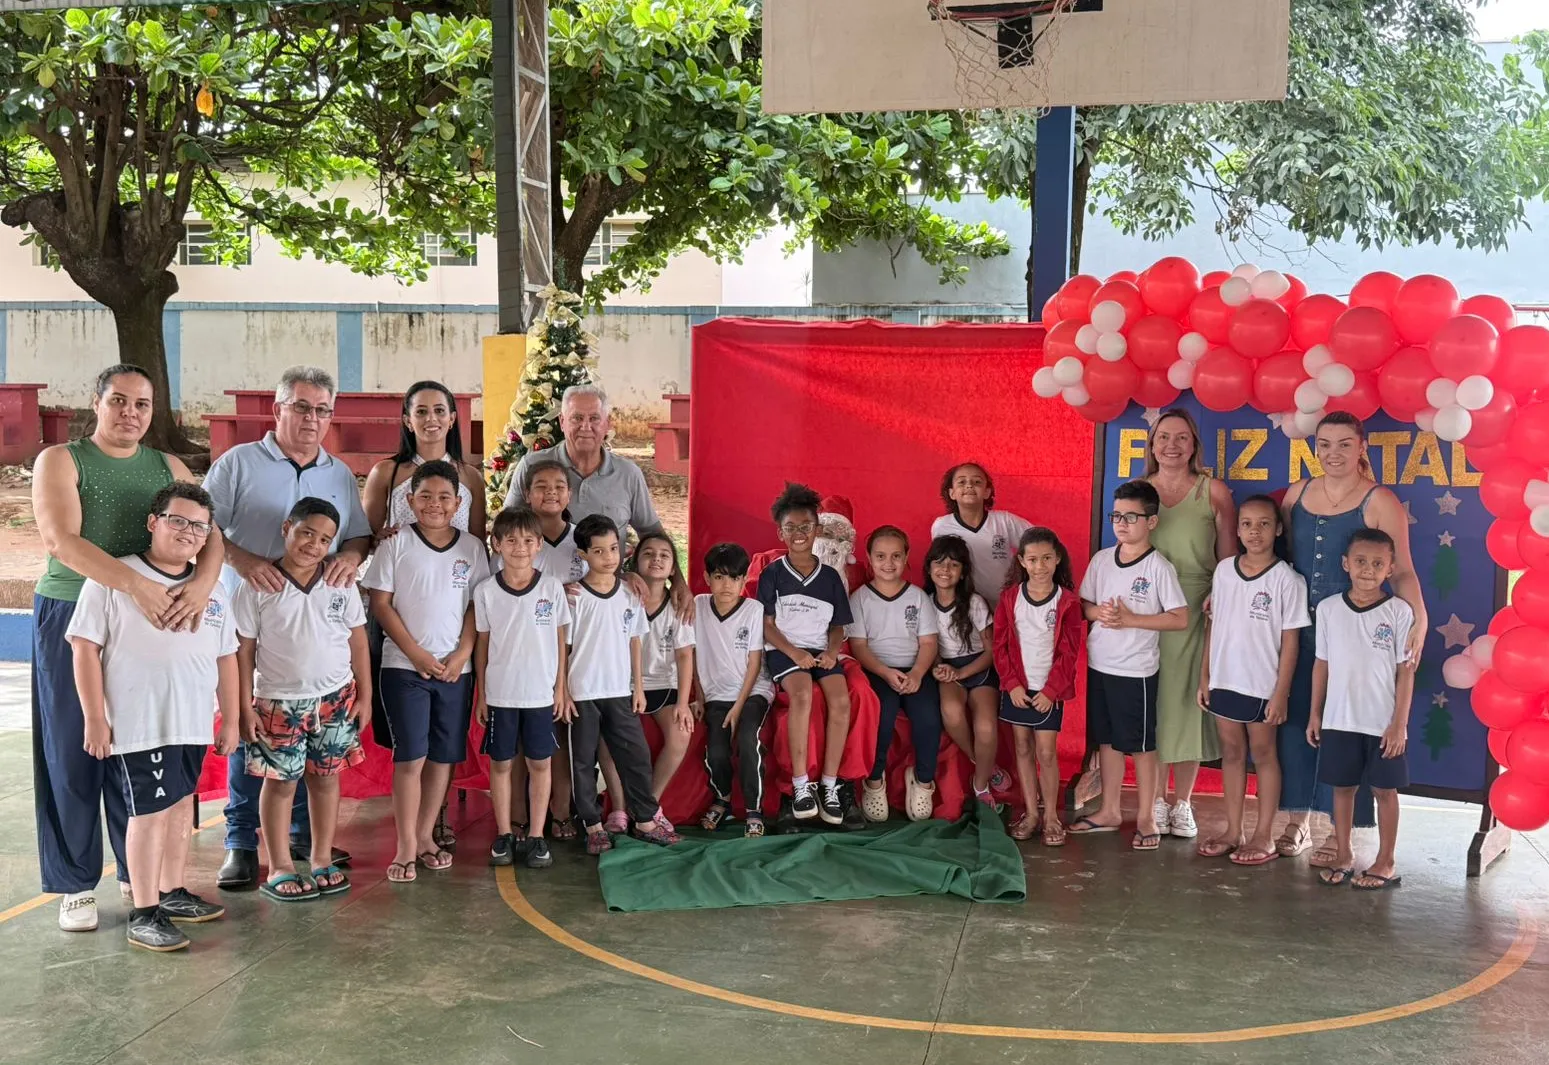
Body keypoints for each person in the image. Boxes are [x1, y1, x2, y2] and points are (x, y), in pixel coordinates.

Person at [33, 364, 223, 933]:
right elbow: (60, 540)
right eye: (119, 401)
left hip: (156, 616)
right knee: (78, 748)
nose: (130, 413)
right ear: (97, 402)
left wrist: (202, 587)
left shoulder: (166, 464)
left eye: (142, 404)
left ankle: (136, 876)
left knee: (143, 746)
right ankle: (73, 882)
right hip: (80, 609)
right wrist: (136, 583)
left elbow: (213, 533)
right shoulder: (61, 460)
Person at [204, 365, 371, 890]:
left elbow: (358, 537)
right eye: (302, 407)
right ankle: (241, 843)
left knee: (315, 760)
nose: (312, 419)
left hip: (316, 623)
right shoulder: (238, 464)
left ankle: (307, 843)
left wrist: (349, 557)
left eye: (322, 410)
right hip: (249, 621)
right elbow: (202, 526)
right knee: (250, 735)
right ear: (278, 409)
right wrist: (243, 559)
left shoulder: (338, 474)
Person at [67, 482, 239, 951]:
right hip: (139, 724)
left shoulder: (214, 588)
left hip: (192, 721)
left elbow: (227, 657)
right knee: (149, 813)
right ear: (153, 522)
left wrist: (233, 718)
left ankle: (171, 890)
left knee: (182, 806)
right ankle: (144, 911)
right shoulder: (114, 579)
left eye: (199, 526)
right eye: (177, 520)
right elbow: (84, 649)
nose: (187, 532)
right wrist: (95, 718)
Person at [1278, 411, 1427, 865]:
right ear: (1314, 448)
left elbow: (1401, 571)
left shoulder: (1380, 501)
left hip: (1356, 641)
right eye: (1325, 444)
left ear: (1362, 447)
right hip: (1297, 632)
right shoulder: (1296, 494)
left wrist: (1419, 616)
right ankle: (1297, 820)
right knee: (1299, 723)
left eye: (1345, 444)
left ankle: (1335, 834)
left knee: (1345, 731)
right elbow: (1280, 562)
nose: (1334, 453)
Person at [361, 380, 487, 853]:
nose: (431, 419)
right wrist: (384, 538)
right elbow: (367, 537)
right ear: (406, 418)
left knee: (444, 741)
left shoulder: (470, 477)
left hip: (453, 620)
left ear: (454, 418)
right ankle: (410, 836)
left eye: (440, 410)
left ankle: (433, 825)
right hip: (401, 617)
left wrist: (464, 648)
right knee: (409, 742)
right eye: (421, 411)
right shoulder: (386, 473)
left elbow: (475, 550)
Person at [233, 498, 370, 902]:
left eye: (325, 539)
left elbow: (358, 639)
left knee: (326, 779)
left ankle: (322, 857)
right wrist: (244, 705)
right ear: (287, 529)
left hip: (337, 698)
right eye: (306, 532)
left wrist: (364, 694)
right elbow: (243, 650)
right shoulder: (259, 585)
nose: (313, 544)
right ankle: (279, 866)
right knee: (280, 785)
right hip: (278, 702)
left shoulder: (340, 582)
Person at [1071, 480, 1189, 851]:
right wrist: (1100, 613)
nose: (1121, 523)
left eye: (1131, 516)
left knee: (1140, 745)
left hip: (1135, 670)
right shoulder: (1102, 559)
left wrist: (1132, 620)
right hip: (1100, 664)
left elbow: (1179, 618)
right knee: (1107, 740)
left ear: (1151, 522)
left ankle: (1146, 817)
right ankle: (1108, 810)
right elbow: (1083, 606)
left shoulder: (1158, 567)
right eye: (1116, 515)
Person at [1195, 495, 1309, 866]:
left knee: (1263, 755)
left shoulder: (1287, 580)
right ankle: (1233, 830)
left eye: (1263, 524)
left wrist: (1281, 693)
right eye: (1246, 524)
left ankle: (1263, 836)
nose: (1254, 531)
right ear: (1237, 529)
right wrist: (1205, 676)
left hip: (1262, 685)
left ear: (1277, 529)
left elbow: (1291, 640)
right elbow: (1214, 626)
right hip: (1225, 679)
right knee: (1230, 753)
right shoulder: (1225, 570)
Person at [1145, 409, 1237, 841]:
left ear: (1194, 445)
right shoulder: (1138, 492)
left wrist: (1220, 600)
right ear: (1152, 443)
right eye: (1164, 437)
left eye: (1182, 438)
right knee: (1156, 706)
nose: (1172, 446)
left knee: (1189, 706)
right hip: (1147, 611)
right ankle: (1155, 799)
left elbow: (1230, 562)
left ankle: (1181, 802)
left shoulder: (1213, 492)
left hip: (1199, 609)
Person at [1307, 529, 1415, 890]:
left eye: (1378, 564)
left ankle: (1385, 860)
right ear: (1345, 564)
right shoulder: (1329, 609)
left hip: (1383, 722)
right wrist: (1315, 713)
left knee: (1385, 791)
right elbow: (1321, 664)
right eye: (1360, 561)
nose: (1368, 570)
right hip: (1340, 719)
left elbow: (1405, 671)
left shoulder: (1399, 612)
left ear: (1390, 568)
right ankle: (1343, 853)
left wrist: (1398, 724)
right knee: (1343, 788)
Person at [566, 515, 680, 854]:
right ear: (583, 555)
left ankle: (645, 818)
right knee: (584, 762)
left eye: (614, 549)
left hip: (620, 690)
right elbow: (564, 647)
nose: (609, 557)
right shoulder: (574, 596)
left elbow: (635, 641)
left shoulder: (631, 594)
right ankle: (593, 825)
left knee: (636, 755)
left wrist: (638, 687)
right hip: (583, 692)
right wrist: (563, 690)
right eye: (599, 551)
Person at [474, 506, 569, 870]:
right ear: (496, 544)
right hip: (500, 694)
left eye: (528, 540)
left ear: (539, 545)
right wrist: (482, 693)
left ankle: (537, 835)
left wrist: (560, 688)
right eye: (510, 540)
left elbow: (560, 639)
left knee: (540, 763)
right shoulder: (486, 592)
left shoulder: (551, 588)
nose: (519, 547)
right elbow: (483, 645)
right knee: (501, 765)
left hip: (540, 695)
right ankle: (503, 832)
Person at [757, 482, 855, 826]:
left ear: (817, 529)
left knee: (841, 701)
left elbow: (838, 626)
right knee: (802, 696)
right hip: (785, 652)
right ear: (780, 532)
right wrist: (793, 652)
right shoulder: (771, 573)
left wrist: (831, 653)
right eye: (791, 527)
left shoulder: (829, 577)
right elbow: (767, 625)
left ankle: (829, 785)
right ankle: (801, 785)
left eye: (805, 526)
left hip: (819, 652)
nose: (799, 533)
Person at [506, 458, 587, 844]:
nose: (550, 492)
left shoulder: (581, 541)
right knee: (525, 741)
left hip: (577, 651)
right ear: (527, 493)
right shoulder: (517, 541)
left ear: (569, 494)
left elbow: (608, 576)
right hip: (525, 653)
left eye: (558, 485)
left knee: (559, 739)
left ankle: (561, 811)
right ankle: (519, 817)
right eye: (541, 485)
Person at [992, 528, 1082, 845]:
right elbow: (999, 646)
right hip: (1017, 690)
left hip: (1048, 692)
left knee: (1046, 752)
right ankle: (1030, 813)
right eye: (1033, 559)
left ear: (1057, 559)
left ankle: (1052, 817)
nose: (1040, 566)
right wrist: (1012, 685)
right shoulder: (1009, 598)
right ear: (1022, 561)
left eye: (1046, 558)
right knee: (1022, 748)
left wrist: (1051, 692)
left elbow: (1069, 653)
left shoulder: (1068, 602)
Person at [850, 526, 941, 822]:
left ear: (906, 558)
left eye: (895, 556)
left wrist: (916, 673)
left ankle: (923, 781)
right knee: (882, 716)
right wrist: (886, 672)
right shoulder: (860, 598)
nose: (888, 563)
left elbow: (928, 642)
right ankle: (874, 782)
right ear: (868, 559)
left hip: (916, 670)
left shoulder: (918, 597)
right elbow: (859, 646)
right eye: (880, 556)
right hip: (878, 671)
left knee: (928, 718)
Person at [694, 543, 774, 837]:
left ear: (744, 581)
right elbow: (690, 653)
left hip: (753, 690)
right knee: (715, 750)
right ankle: (723, 799)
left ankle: (754, 809)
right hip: (716, 694)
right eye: (719, 577)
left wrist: (740, 706)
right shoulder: (698, 606)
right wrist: (699, 696)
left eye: (734, 578)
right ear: (706, 577)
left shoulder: (753, 609)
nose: (726, 585)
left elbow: (754, 663)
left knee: (746, 738)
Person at [924, 535, 1000, 804]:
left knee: (986, 726)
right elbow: (926, 646)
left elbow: (992, 653)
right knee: (952, 712)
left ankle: (981, 785)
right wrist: (937, 669)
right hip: (946, 667)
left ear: (963, 571)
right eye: (939, 563)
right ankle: (979, 761)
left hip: (978, 666)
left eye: (953, 565)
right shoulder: (924, 602)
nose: (945, 570)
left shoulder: (975, 603)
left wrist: (963, 673)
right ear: (929, 567)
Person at [631, 531, 696, 817]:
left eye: (664, 555)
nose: (656, 559)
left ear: (673, 569)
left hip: (663, 685)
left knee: (681, 733)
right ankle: (620, 809)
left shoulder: (678, 605)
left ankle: (649, 805)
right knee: (608, 738)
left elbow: (684, 655)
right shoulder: (622, 599)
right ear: (635, 563)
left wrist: (683, 703)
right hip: (626, 684)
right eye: (648, 553)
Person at [930, 463, 1033, 605]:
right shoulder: (942, 526)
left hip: (1008, 603)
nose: (969, 485)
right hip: (967, 606)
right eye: (962, 481)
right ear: (951, 493)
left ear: (987, 492)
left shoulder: (1005, 521)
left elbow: (1041, 543)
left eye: (977, 481)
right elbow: (940, 565)